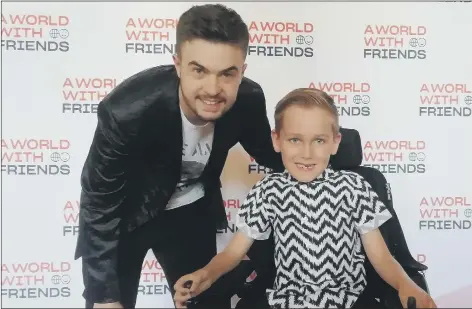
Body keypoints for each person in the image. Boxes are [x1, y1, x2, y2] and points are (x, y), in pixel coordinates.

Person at [74, 4, 286, 309]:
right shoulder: (127, 110)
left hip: (190, 211)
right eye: (199, 70)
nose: (213, 89)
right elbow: (99, 204)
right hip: (127, 216)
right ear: (178, 65)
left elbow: (271, 154)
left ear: (242, 72)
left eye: (227, 74)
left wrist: (329, 160)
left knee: (207, 300)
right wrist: (105, 297)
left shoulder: (247, 100)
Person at [173, 88, 438, 309]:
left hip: (349, 300)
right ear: (277, 141)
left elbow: (381, 257)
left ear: (335, 143)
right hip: (287, 300)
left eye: (319, 141)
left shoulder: (354, 186)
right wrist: (205, 274)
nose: (307, 153)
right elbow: (233, 253)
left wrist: (406, 285)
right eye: (295, 140)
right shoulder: (268, 190)